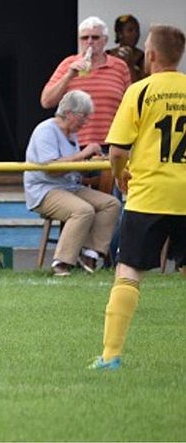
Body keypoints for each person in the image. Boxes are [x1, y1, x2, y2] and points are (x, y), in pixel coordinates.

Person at [89, 25, 186, 371]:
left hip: (148, 196)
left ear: (153, 55)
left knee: (128, 271)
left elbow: (117, 151)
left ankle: (110, 356)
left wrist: (120, 175)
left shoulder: (140, 91)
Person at [24, 90, 121, 276]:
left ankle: (90, 255)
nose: (86, 122)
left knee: (111, 204)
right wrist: (84, 153)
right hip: (44, 190)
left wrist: (92, 162)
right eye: (84, 116)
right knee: (83, 210)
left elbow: (72, 167)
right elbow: (52, 169)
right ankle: (62, 263)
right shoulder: (46, 130)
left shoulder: (72, 134)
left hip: (70, 187)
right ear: (69, 113)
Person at [41, 16, 132, 147]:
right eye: (84, 38)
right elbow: (46, 101)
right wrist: (69, 76)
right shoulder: (68, 64)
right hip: (75, 145)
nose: (89, 42)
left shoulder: (119, 67)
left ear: (105, 40)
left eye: (95, 37)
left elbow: (130, 106)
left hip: (111, 144)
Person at [107, 14, 146, 83]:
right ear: (120, 34)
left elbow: (141, 84)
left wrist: (130, 64)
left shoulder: (143, 57)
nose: (135, 34)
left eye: (137, 30)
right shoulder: (107, 55)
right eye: (130, 30)